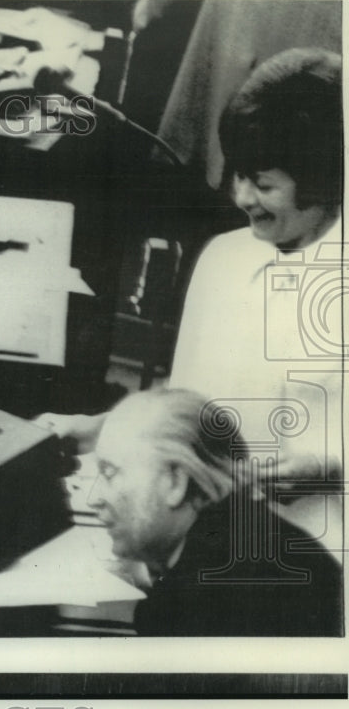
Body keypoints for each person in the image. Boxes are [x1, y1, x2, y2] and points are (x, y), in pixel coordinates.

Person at [38, 49, 344, 528]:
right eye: (238, 174)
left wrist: (332, 468)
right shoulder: (225, 256)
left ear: (325, 179)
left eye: (263, 184)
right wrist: (104, 429)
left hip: (316, 554)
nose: (242, 198)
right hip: (204, 534)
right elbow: (190, 404)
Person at [90, 388, 343, 636]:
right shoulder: (246, 537)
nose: (94, 498)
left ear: (176, 482)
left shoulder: (189, 609)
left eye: (110, 473)